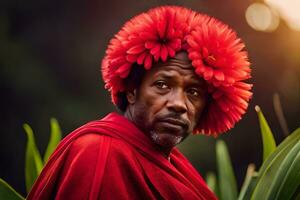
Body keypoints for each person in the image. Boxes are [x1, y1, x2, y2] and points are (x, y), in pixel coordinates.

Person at [27, 5, 252, 200]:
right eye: (163, 85)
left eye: (193, 92)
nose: (178, 104)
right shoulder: (98, 155)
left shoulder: (178, 167)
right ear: (132, 91)